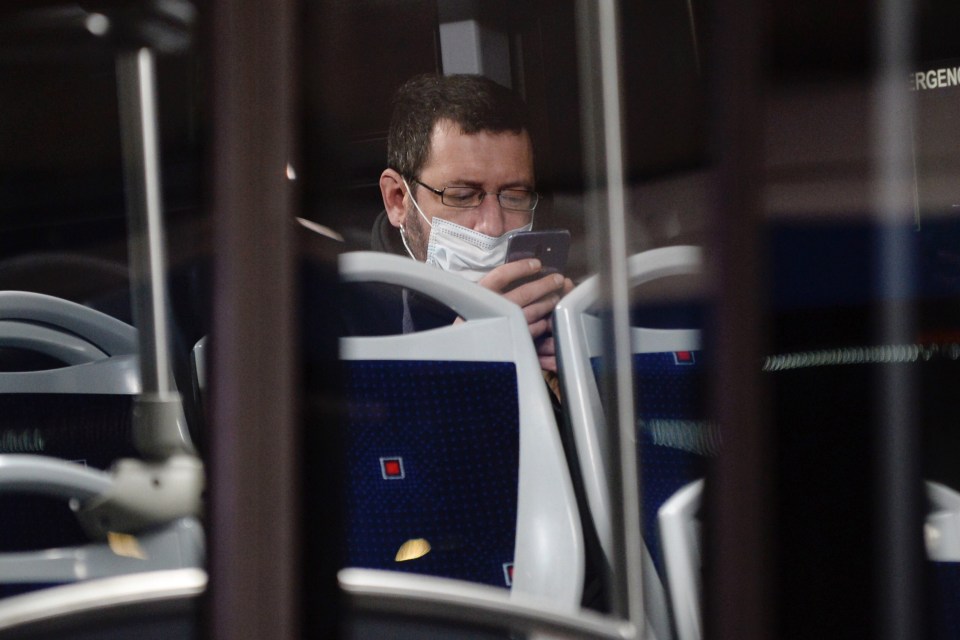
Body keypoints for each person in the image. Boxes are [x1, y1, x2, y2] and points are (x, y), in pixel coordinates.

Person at [371, 73, 574, 374]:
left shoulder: (556, 306)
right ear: (398, 199)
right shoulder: (350, 319)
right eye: (463, 196)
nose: (493, 226)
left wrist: (582, 378)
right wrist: (457, 369)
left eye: (515, 196)